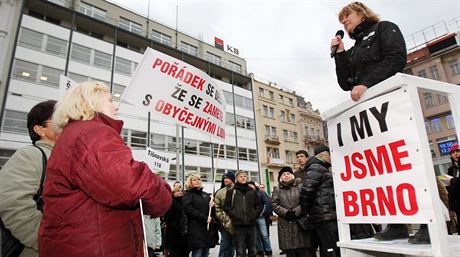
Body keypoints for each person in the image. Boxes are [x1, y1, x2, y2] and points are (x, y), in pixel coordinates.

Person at [38, 81, 172, 257]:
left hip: (83, 243)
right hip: (95, 247)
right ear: (90, 101)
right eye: (110, 100)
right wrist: (164, 190)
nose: (115, 107)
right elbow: (130, 183)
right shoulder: (91, 133)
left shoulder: (76, 134)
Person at [0, 100, 57, 257]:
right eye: (59, 118)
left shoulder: (69, 157)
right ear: (40, 129)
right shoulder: (30, 155)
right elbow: (12, 203)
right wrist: (53, 242)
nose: (67, 123)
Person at [332, 1, 406, 101]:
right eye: (342, 20)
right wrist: (340, 54)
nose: (344, 21)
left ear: (361, 13)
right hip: (366, 104)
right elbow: (345, 84)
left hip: (391, 98)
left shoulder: (383, 27)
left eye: (347, 15)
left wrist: (367, 84)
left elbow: (395, 59)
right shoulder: (352, 51)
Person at [300, 145, 340, 257]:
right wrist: (306, 213)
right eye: (329, 154)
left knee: (329, 249)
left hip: (327, 215)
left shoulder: (321, 168)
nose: (332, 157)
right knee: (330, 249)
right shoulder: (316, 168)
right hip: (324, 217)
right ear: (322, 155)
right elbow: (306, 192)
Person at [272, 166, 316, 257]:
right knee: (290, 252)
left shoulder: (300, 186)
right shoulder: (277, 189)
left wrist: (296, 212)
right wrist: (286, 213)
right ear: (281, 178)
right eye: (284, 174)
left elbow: (306, 200)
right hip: (285, 223)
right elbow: (274, 204)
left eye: (288, 174)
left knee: (304, 251)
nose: (286, 176)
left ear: (292, 176)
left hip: (300, 222)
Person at [224, 171, 262, 257]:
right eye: (241, 176)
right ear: (236, 179)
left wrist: (254, 215)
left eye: (245, 176)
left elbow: (258, 206)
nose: (243, 178)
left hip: (251, 224)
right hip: (238, 225)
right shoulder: (231, 191)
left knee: (252, 249)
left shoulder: (252, 191)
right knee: (240, 250)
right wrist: (235, 215)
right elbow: (226, 207)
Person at [182, 173, 218, 257]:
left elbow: (211, 212)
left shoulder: (206, 195)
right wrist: (205, 218)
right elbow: (189, 210)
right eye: (194, 180)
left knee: (205, 253)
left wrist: (212, 207)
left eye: (198, 179)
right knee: (197, 253)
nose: (197, 181)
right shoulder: (188, 195)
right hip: (195, 229)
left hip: (207, 230)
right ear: (190, 182)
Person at [248, 181, 272, 257]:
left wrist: (262, 213)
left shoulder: (261, 193)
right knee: (256, 236)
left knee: (264, 235)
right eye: (249, 185)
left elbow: (267, 203)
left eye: (251, 185)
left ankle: (268, 251)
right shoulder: (247, 195)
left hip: (261, 217)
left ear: (255, 186)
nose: (250, 186)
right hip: (252, 218)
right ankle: (260, 252)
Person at [164, 181, 188, 257]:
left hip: (184, 234)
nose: (180, 192)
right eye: (178, 191)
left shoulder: (185, 202)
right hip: (174, 235)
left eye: (181, 190)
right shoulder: (171, 203)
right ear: (173, 192)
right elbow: (167, 218)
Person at [214, 172, 236, 257]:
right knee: (225, 245)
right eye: (224, 178)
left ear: (233, 179)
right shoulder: (220, 192)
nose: (225, 180)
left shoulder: (239, 190)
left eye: (227, 178)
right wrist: (223, 218)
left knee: (235, 245)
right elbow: (217, 207)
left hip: (238, 222)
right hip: (225, 224)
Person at [447, 143, 460, 233]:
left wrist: (454, 181)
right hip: (457, 202)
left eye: (457, 151)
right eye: (453, 152)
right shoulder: (450, 169)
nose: (455, 153)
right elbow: (449, 186)